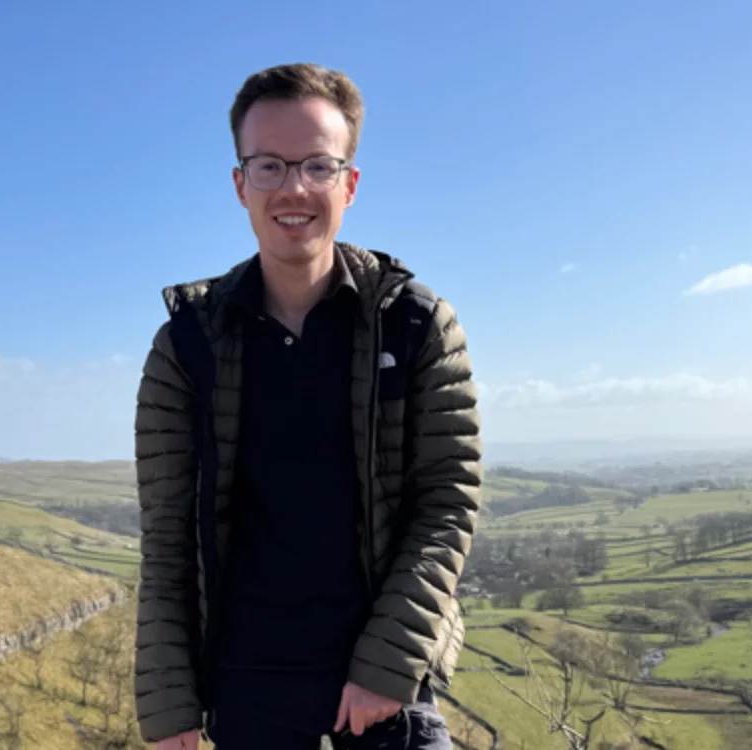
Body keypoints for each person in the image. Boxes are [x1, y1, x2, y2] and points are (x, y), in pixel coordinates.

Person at [132, 62, 483, 750]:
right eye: (269, 165)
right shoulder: (186, 346)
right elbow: (168, 537)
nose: (294, 188)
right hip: (248, 693)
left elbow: (447, 503)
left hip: (385, 688)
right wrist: (170, 706)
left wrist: (386, 667)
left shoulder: (416, 325)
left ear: (349, 183)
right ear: (240, 184)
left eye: (318, 166)